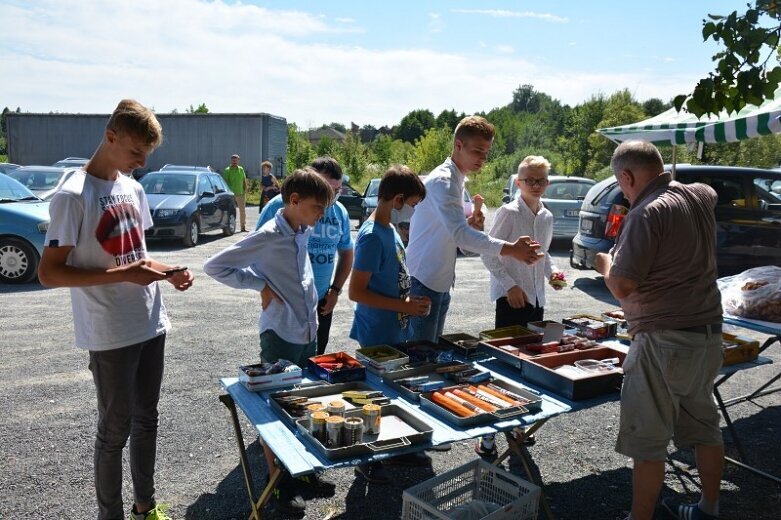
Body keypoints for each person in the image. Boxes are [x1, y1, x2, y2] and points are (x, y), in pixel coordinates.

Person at [37, 99, 194, 520]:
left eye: (147, 154)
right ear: (110, 137)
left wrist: (169, 272)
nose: (141, 162)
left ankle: (146, 506)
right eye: (136, 152)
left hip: (150, 322)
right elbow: (49, 273)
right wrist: (124, 275)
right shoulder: (73, 196)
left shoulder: (132, 188)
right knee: (114, 431)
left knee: (147, 421)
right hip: (109, 332)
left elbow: (137, 254)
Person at [595, 140, 724, 520]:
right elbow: (710, 191)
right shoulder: (696, 196)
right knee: (705, 428)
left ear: (627, 176)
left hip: (664, 340)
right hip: (706, 334)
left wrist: (606, 263)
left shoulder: (647, 212)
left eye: (622, 185)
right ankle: (709, 508)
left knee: (648, 442)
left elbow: (622, 286)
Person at [204, 168, 334, 514]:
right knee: (277, 410)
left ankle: (302, 473)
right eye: (318, 207)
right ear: (294, 200)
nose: (321, 215)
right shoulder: (269, 235)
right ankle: (276, 483)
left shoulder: (300, 229)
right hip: (281, 335)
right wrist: (259, 286)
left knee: (304, 403)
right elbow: (215, 265)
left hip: (307, 331)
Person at [405, 115, 543, 344]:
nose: (483, 158)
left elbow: (457, 237)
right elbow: (460, 236)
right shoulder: (444, 181)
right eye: (478, 151)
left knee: (428, 354)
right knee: (421, 357)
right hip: (423, 281)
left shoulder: (457, 179)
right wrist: (511, 249)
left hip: (437, 281)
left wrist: (471, 228)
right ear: (459, 145)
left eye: (487, 152)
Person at [475, 155, 564, 458]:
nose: (535, 185)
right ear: (518, 182)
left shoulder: (547, 216)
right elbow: (489, 252)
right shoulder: (509, 212)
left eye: (540, 180)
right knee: (504, 368)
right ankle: (488, 438)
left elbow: (544, 254)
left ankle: (516, 427)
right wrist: (509, 285)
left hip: (536, 299)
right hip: (511, 298)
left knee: (529, 366)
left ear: (547, 182)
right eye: (529, 180)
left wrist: (553, 275)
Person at [349, 165, 430, 484]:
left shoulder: (391, 230)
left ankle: (395, 449)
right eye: (411, 204)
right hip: (376, 333)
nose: (412, 211)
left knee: (392, 395)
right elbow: (357, 291)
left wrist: (411, 306)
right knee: (372, 397)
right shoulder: (370, 237)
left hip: (396, 329)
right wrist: (403, 305)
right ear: (397, 200)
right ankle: (365, 457)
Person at [256, 156, 354, 355]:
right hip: (286, 303)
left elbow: (346, 252)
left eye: (337, 190)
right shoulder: (280, 206)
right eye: (327, 188)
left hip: (322, 302)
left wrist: (335, 290)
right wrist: (263, 289)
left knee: (314, 363)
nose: (332, 195)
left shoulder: (339, 212)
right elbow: (256, 252)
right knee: (283, 366)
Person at [222, 153, 248, 232]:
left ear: (238, 161)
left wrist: (245, 189)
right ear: (231, 160)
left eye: (236, 160)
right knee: (230, 211)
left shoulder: (241, 169)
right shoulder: (227, 170)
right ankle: (229, 227)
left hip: (241, 193)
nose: (234, 162)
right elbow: (225, 182)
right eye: (233, 160)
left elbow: (244, 180)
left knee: (242, 211)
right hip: (231, 195)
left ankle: (243, 227)